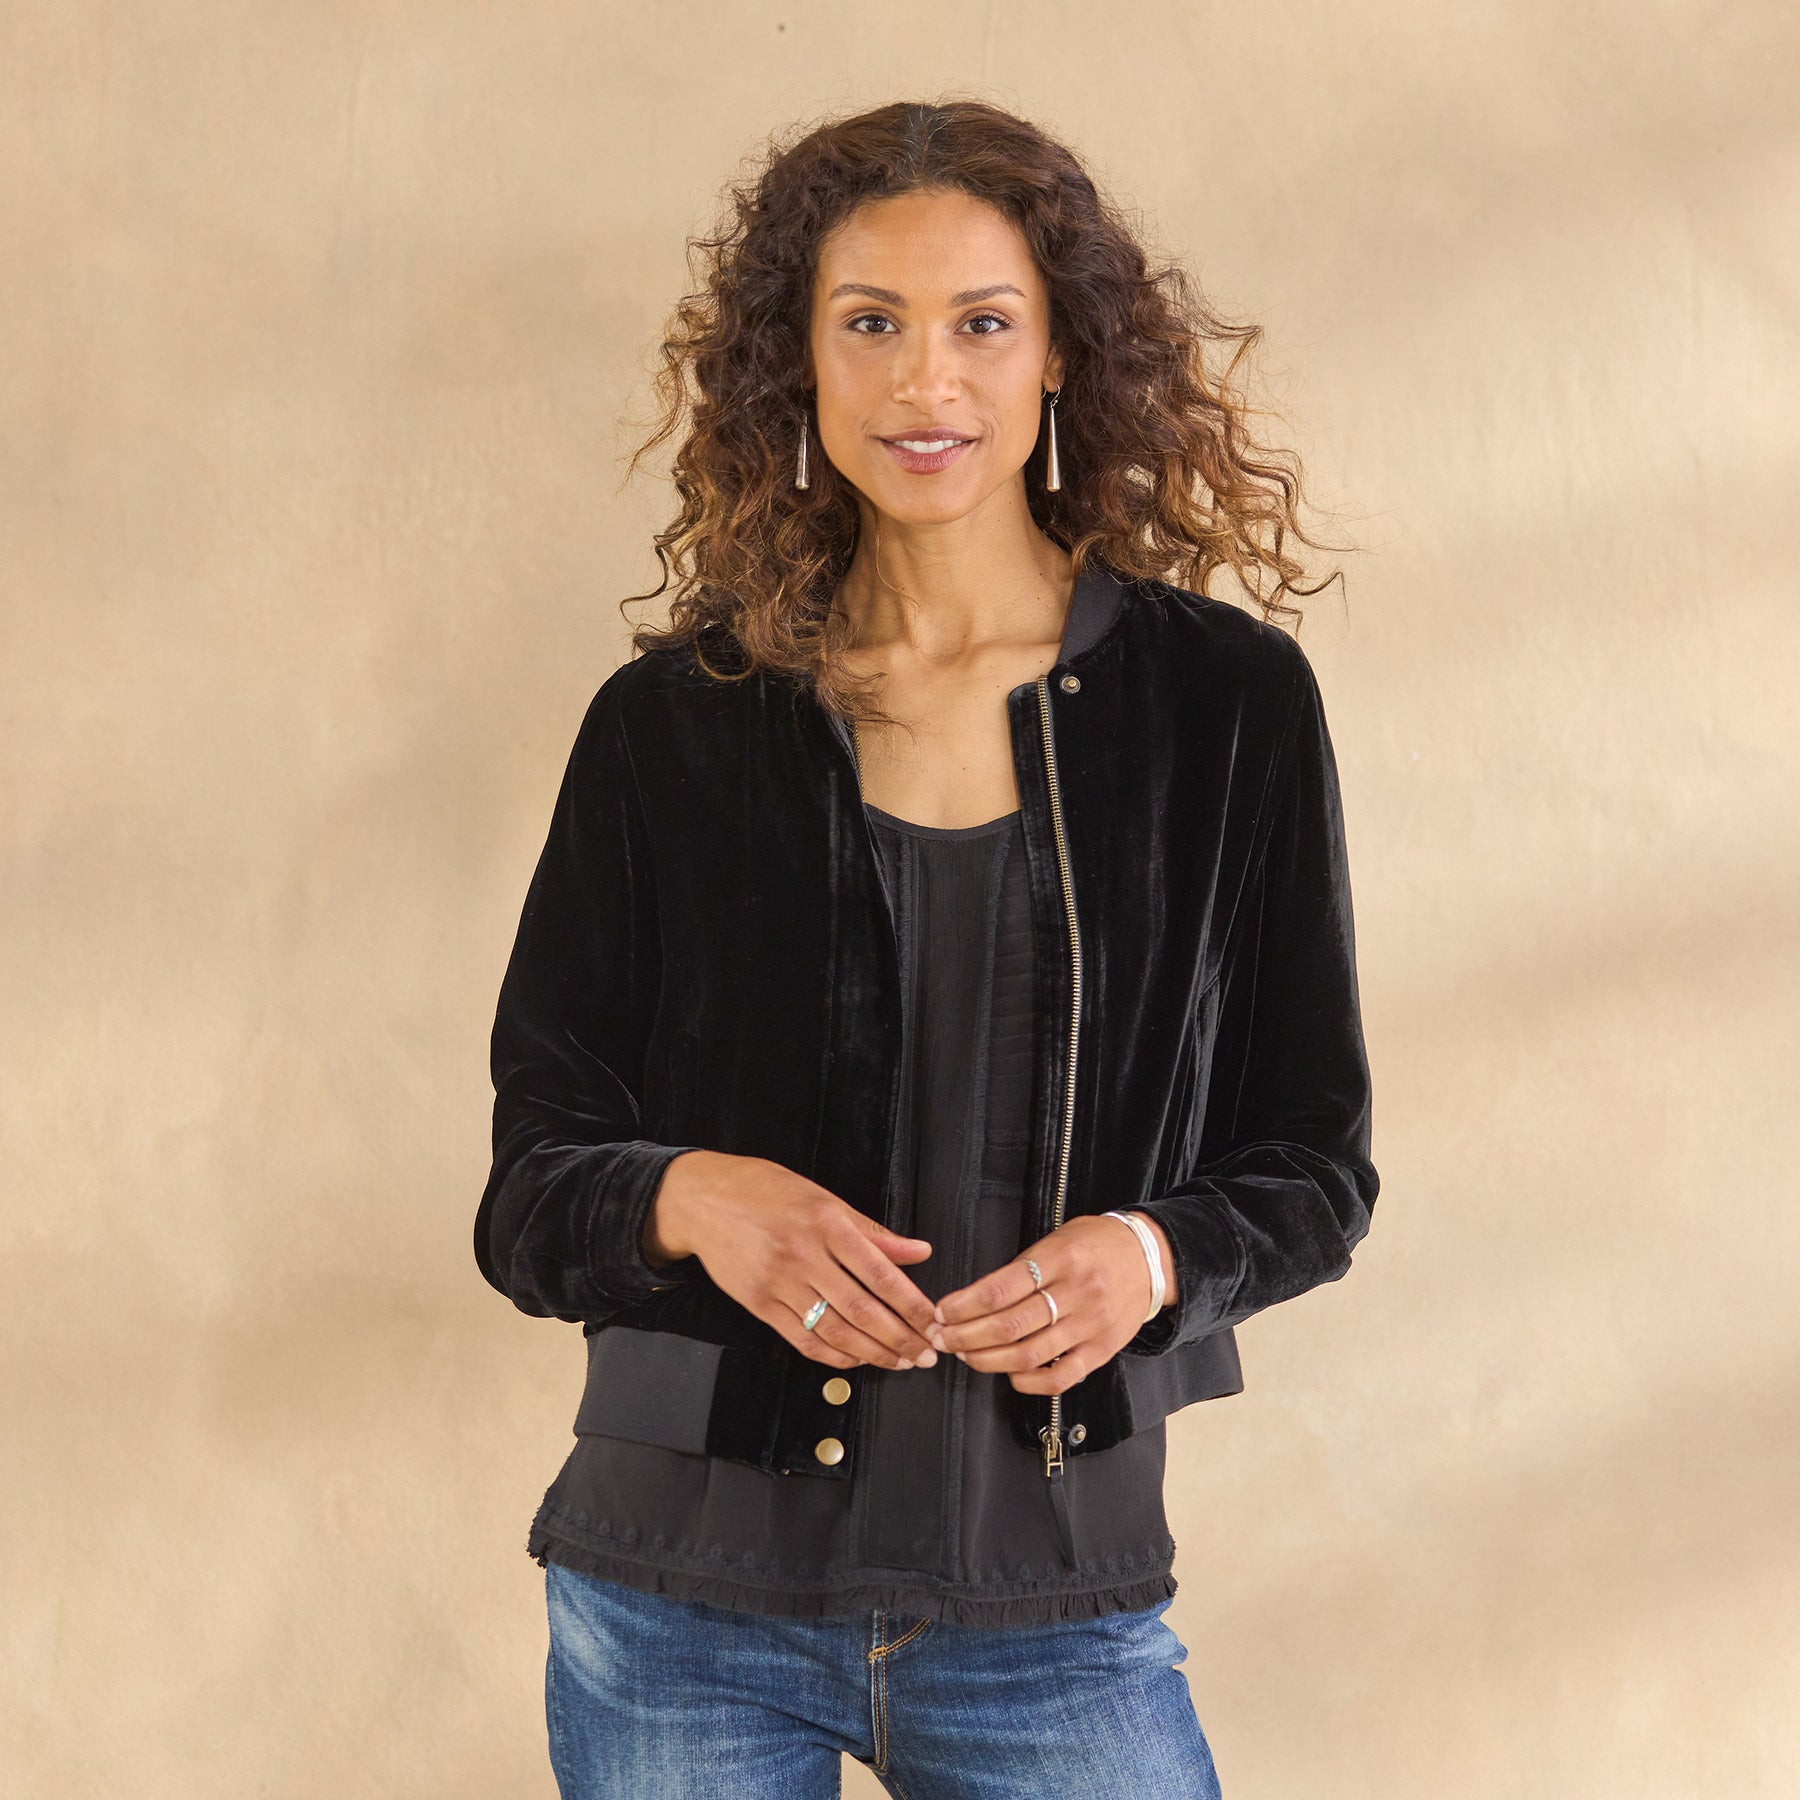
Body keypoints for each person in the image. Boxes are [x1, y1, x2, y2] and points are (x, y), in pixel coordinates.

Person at [474, 97, 1379, 1800]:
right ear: (798, 364)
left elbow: (1315, 1165)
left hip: (1054, 1614)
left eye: (981, 324)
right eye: (871, 324)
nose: (925, 382)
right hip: (674, 1606)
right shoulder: (676, 723)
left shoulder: (1224, 709)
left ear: (1061, 358)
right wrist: (691, 1197)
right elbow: (531, 1192)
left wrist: (1152, 1256)